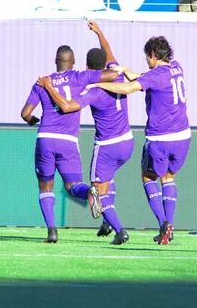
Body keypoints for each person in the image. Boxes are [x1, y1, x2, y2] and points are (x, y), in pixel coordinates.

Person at [87, 36, 191, 245]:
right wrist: (124, 69)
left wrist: (98, 83)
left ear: (152, 54)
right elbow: (141, 77)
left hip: (159, 138)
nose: (146, 60)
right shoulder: (176, 67)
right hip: (183, 136)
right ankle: (168, 226)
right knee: (169, 178)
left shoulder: (155, 75)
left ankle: (163, 223)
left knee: (149, 179)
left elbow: (127, 88)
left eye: (147, 57)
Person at [37, 21, 134, 245]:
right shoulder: (116, 70)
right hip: (128, 142)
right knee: (107, 183)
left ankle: (119, 229)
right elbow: (108, 50)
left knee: (96, 189)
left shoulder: (94, 90)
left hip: (108, 145)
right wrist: (99, 32)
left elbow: (69, 107)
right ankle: (108, 222)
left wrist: (49, 87)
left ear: (89, 67)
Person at [20, 45, 118, 243]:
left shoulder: (42, 82)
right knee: (73, 185)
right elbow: (111, 75)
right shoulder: (80, 77)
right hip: (69, 142)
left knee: (45, 187)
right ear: (73, 62)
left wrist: (32, 120)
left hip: (46, 139)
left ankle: (52, 232)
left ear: (56, 61)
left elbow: (25, 113)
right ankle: (89, 192)